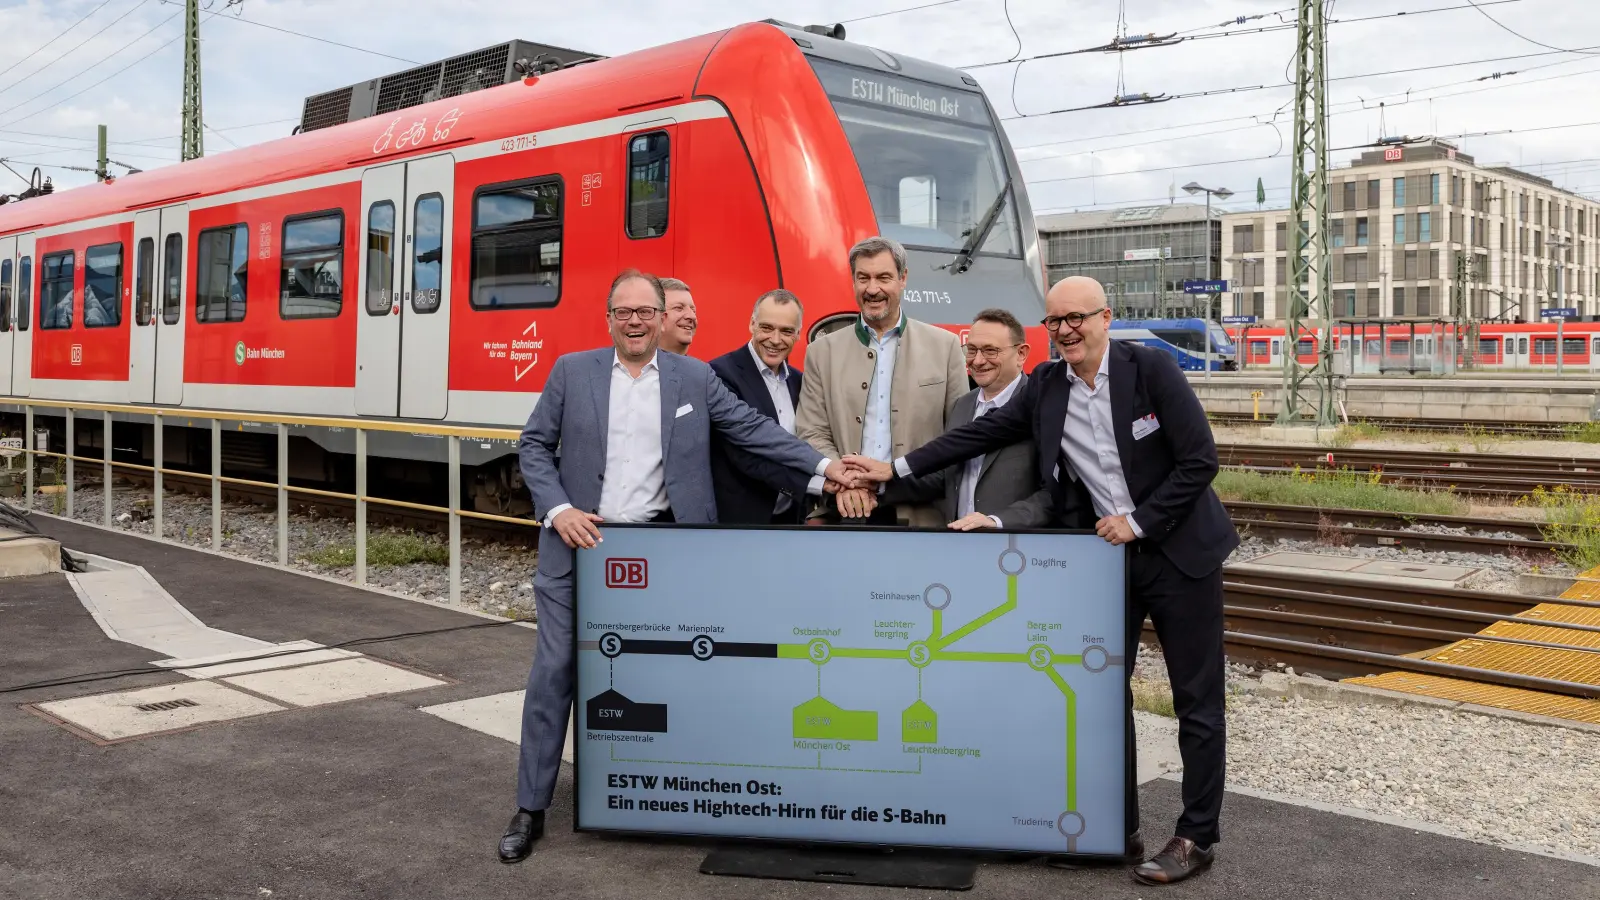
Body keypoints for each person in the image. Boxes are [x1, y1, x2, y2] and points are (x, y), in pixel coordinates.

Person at [844, 275, 1238, 887]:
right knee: (1105, 699)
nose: (1067, 330)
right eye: (1055, 321)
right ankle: (1119, 831)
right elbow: (975, 434)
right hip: (1112, 561)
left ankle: (1196, 836)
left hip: (1181, 553)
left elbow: (1200, 462)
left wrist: (1139, 522)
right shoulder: (1047, 387)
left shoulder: (1152, 371)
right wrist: (892, 468)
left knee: (1197, 701)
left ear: (1105, 317)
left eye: (1078, 317)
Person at [501, 269, 857, 864]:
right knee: (557, 670)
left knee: (663, 673)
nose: (635, 321)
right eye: (624, 312)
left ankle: (652, 797)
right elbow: (533, 444)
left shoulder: (695, 377)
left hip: (663, 552)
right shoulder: (572, 371)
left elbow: (752, 431)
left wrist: (826, 471)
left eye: (646, 311)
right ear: (608, 317)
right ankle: (530, 807)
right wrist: (558, 508)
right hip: (580, 544)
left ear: (661, 317)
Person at [795, 235, 967, 525]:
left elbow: (958, 438)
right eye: (863, 278)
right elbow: (811, 432)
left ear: (903, 278)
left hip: (922, 517)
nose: (872, 289)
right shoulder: (821, 352)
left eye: (883, 277)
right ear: (853, 281)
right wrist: (847, 480)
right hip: (844, 512)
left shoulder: (946, 347)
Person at [884, 308, 1052, 530]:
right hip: (957, 545)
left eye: (991, 351)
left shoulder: (1042, 406)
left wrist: (997, 521)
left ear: (1021, 354)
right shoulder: (962, 405)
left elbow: (1053, 494)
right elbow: (943, 477)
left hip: (1014, 550)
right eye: (971, 350)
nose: (978, 361)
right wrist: (873, 486)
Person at [707, 289, 817, 525]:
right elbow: (744, 455)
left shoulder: (800, 382)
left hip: (791, 522)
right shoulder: (720, 373)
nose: (775, 340)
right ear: (752, 324)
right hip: (739, 524)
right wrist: (818, 484)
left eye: (786, 331)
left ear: (798, 333)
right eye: (767, 328)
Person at [658, 277, 697, 355]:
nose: (692, 316)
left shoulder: (703, 367)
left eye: (693, 310)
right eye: (679, 308)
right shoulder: (630, 366)